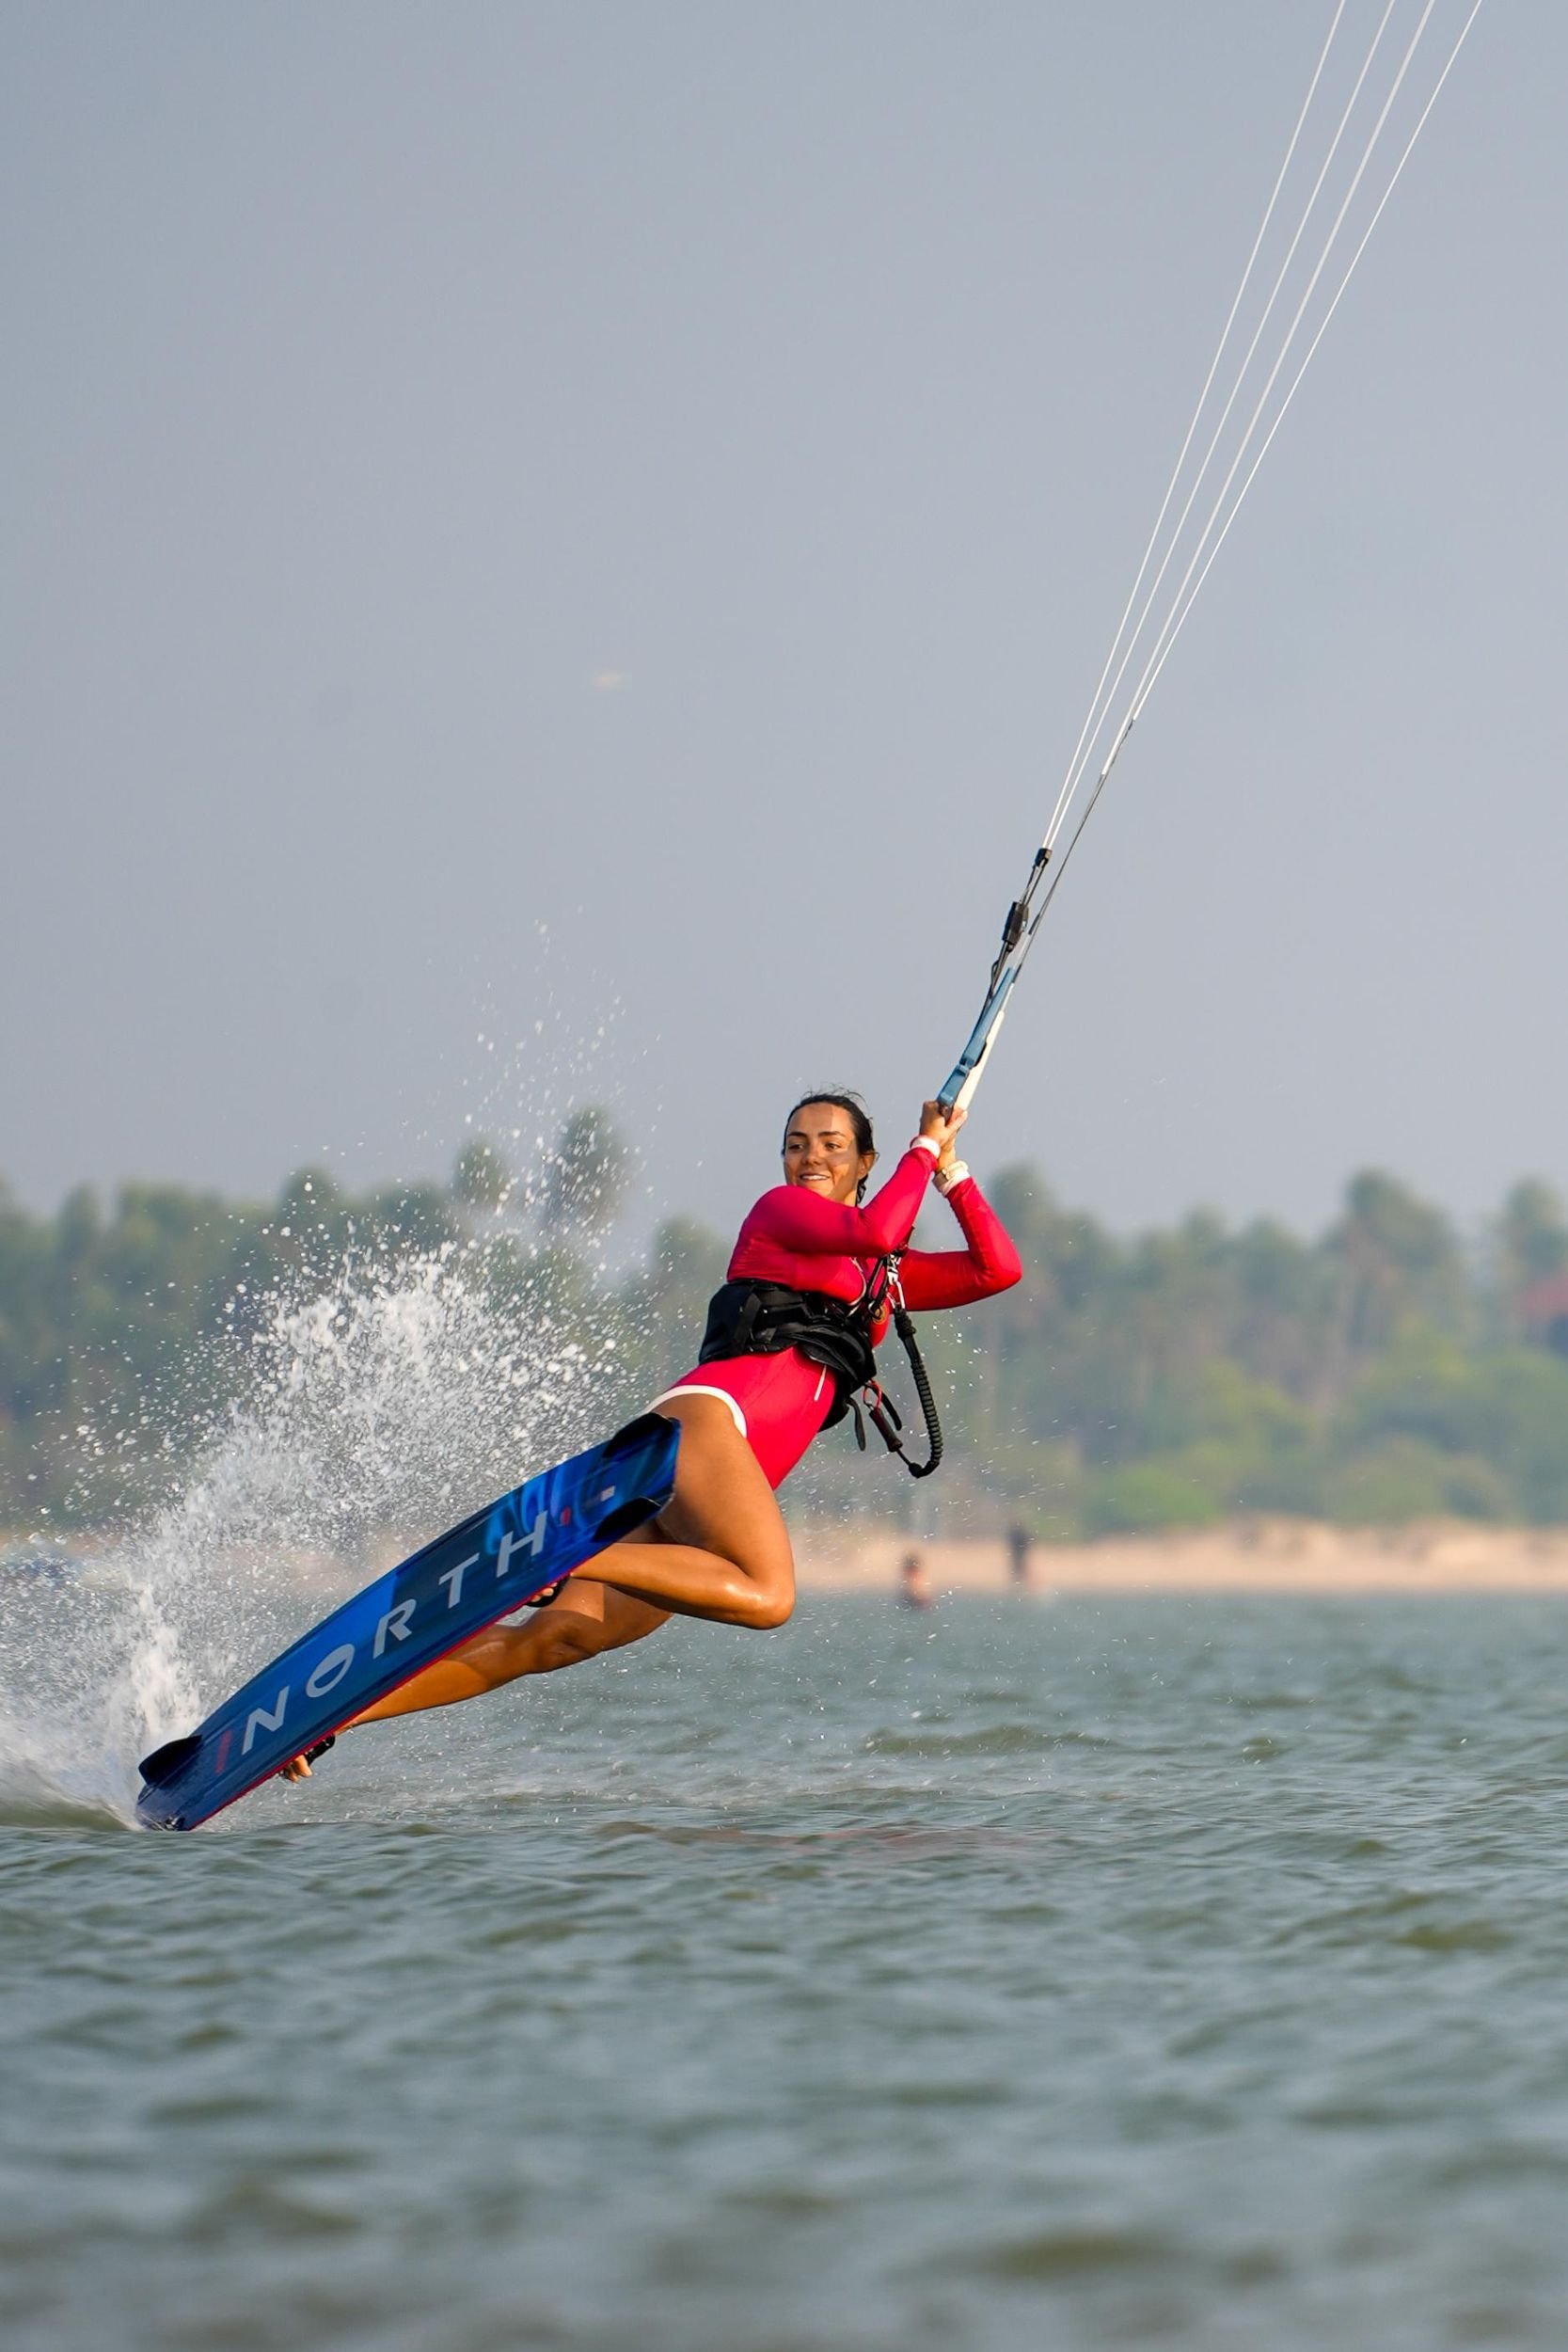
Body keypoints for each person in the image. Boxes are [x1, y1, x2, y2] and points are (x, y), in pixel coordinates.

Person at [283, 1091, 1020, 1777]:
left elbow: (997, 1270)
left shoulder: (879, 1277)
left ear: (865, 1163)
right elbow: (875, 1226)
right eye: (797, 1145)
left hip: (704, 1485)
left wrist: (951, 1167)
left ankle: (340, 1716)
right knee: (767, 1596)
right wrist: (922, 1149)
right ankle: (580, 1553)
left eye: (832, 1145)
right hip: (706, 1427)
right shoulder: (782, 1214)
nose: (812, 1157)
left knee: (552, 1641)